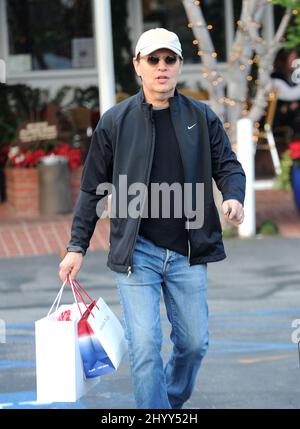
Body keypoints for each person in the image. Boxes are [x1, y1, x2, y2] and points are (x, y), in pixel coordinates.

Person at [59, 28, 246, 409]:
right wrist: (76, 246)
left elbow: (229, 166)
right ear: (138, 66)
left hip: (188, 251)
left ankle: (168, 401)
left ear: (179, 65)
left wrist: (233, 197)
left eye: (170, 59)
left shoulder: (201, 116)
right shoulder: (115, 121)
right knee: (144, 347)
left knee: (194, 344)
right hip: (136, 254)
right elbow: (92, 187)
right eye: (153, 60)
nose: (162, 67)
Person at [271, 48, 300, 139]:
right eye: (292, 58)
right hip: (279, 117)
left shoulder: (291, 75)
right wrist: (288, 107)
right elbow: (290, 95)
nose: (295, 60)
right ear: (284, 59)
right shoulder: (276, 77)